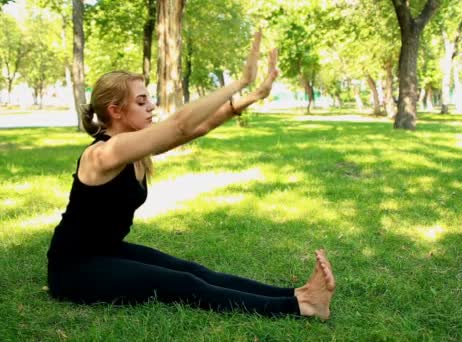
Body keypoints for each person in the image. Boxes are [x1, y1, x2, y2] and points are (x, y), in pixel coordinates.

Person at [46, 31, 336, 319]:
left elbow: (198, 127)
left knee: (191, 270)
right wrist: (240, 81)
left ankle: (296, 294)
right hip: (75, 268)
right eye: (141, 101)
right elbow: (179, 125)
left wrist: (253, 96)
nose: (152, 107)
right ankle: (301, 308)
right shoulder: (104, 153)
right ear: (115, 111)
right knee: (181, 284)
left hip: (107, 252)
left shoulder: (132, 148)